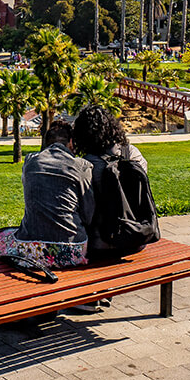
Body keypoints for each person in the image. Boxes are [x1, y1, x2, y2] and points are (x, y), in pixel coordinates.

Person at [73, 104, 149, 311]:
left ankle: (89, 296)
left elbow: (84, 213)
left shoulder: (85, 165)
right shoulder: (133, 154)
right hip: (136, 238)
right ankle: (103, 291)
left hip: (101, 246)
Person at [0, 118, 93, 270]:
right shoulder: (81, 166)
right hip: (73, 250)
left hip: (31, 250)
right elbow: (88, 213)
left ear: (46, 142)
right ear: (71, 142)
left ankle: (0, 285)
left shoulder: (31, 161)